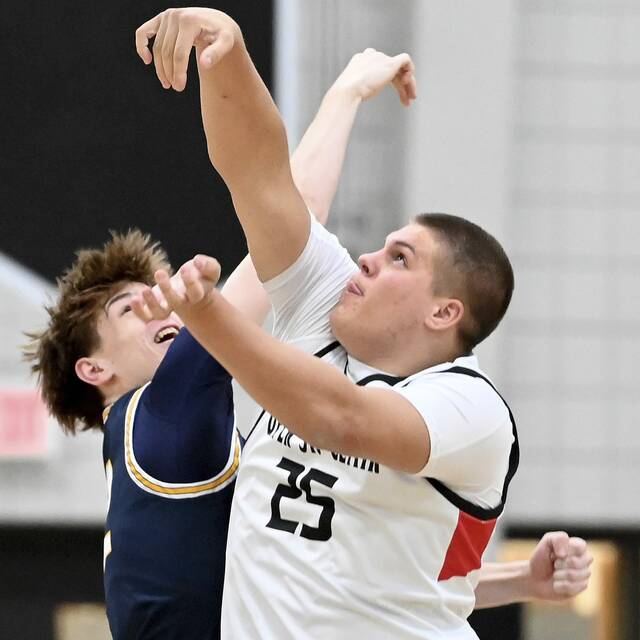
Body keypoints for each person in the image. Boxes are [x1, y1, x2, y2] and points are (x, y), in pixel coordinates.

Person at [133, 8, 591, 639]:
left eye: (400, 258)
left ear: (443, 312)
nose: (369, 257)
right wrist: (228, 53)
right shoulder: (327, 301)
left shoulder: (469, 408)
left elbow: (341, 417)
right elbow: (260, 177)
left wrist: (210, 316)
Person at [24, 54, 411, 639]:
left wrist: (514, 585)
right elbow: (292, 217)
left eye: (156, 293)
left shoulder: (159, 440)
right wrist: (348, 91)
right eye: (131, 310)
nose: (162, 308)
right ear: (92, 367)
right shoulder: (160, 412)